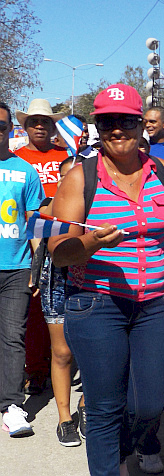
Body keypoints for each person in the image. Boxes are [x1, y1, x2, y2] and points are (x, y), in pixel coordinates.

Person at [48, 84, 164, 476]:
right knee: (105, 408)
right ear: (98, 126)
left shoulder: (160, 170)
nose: (116, 129)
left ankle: (120, 453)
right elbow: (58, 252)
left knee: (150, 405)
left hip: (155, 304)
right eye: (106, 121)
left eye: (125, 121)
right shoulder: (80, 177)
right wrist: (88, 242)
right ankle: (108, 466)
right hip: (97, 304)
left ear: (142, 125)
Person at [15, 98, 69, 395]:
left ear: (52, 126)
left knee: (63, 306)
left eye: (45, 122)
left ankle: (61, 362)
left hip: (63, 240)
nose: (39, 126)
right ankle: (35, 369)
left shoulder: (68, 156)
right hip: (28, 242)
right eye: (34, 121)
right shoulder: (15, 159)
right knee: (35, 308)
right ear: (25, 126)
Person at [32, 155, 85, 446]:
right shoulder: (49, 206)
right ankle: (65, 418)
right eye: (64, 176)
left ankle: (87, 407)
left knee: (95, 350)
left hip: (92, 278)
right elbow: (37, 239)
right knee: (62, 352)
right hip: (57, 280)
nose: (70, 182)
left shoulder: (96, 202)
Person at [0, 100, 45, 437]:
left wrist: (37, 268)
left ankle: (12, 406)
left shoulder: (26, 171)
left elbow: (34, 225)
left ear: (9, 130)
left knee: (13, 338)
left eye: (2, 126)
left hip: (16, 268)